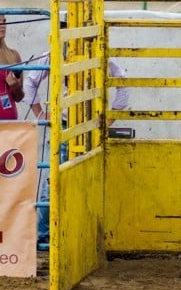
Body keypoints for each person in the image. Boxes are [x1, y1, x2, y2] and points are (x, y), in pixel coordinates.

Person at [23, 16, 130, 246]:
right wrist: (41, 115)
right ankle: (52, 236)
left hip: (80, 125)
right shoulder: (62, 54)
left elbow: (31, 81)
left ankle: (53, 236)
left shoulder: (72, 53)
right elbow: (30, 82)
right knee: (62, 179)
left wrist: (108, 118)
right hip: (72, 125)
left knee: (62, 179)